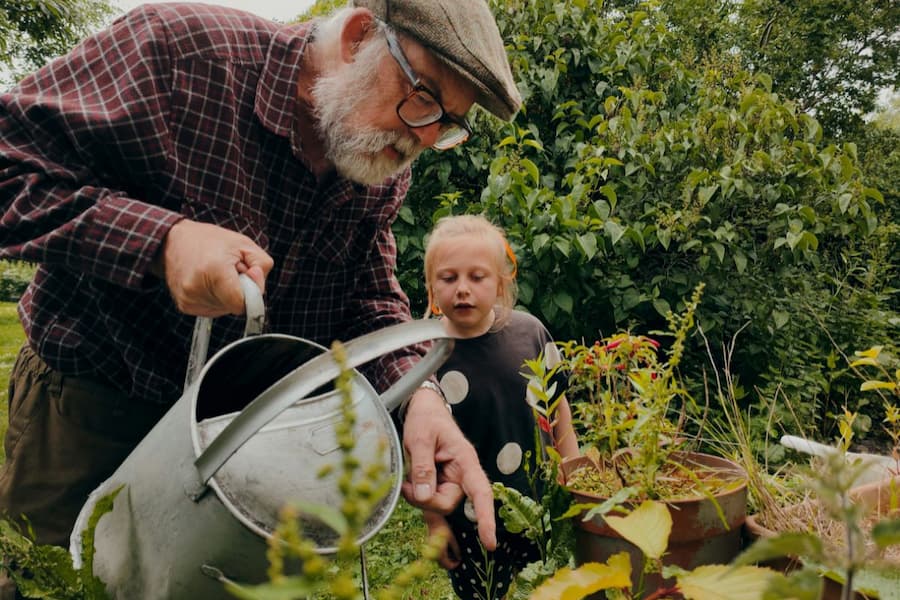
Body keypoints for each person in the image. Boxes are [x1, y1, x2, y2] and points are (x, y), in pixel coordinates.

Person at [0, 0, 521, 579]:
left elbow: (366, 301)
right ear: (356, 38)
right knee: (53, 585)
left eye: (447, 123)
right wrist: (162, 242)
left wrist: (419, 397)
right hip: (91, 412)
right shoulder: (183, 54)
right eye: (424, 97)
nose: (423, 137)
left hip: (240, 442)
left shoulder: (377, 152)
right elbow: (10, 166)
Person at [419, 214, 579, 599]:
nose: (462, 290)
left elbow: (558, 409)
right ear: (431, 286)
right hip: (469, 521)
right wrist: (435, 524)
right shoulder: (424, 356)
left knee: (548, 590)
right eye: (448, 278)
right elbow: (419, 455)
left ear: (501, 283)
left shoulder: (529, 333)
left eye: (477, 277)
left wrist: (573, 473)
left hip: (540, 507)